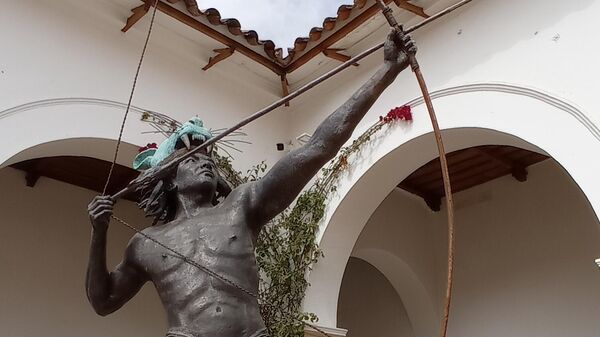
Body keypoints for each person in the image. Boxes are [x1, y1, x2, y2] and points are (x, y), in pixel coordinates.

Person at [86, 29, 416, 337]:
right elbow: (104, 302)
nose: (204, 162)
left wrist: (386, 71)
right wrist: (98, 234)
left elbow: (318, 147)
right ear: (169, 180)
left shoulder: (241, 205)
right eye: (190, 159)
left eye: (208, 159)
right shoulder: (146, 243)